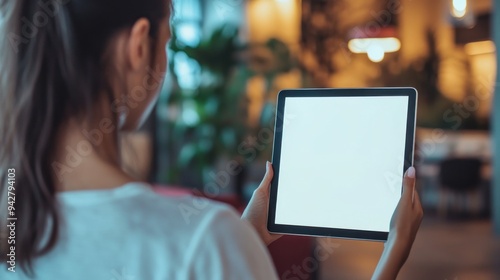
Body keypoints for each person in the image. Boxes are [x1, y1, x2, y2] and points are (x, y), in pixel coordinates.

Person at [0, 0, 423, 279]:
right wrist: (393, 254)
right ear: (138, 46)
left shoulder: (15, 223)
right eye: (167, 42)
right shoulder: (203, 239)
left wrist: (245, 237)